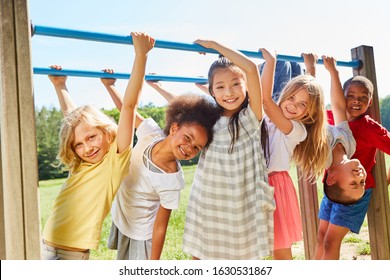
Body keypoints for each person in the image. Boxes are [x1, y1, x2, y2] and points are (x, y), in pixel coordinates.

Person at [41, 32, 155, 260]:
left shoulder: (115, 158)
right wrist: (60, 86)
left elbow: (129, 107)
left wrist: (141, 54)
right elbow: (72, 118)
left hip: (70, 255)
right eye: (79, 144)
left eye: (92, 137)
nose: (86, 147)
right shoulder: (79, 163)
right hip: (44, 245)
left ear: (105, 130)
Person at [101, 72, 221, 260]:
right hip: (123, 216)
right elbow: (128, 110)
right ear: (174, 128)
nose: (189, 147)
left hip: (141, 232)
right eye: (187, 138)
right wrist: (109, 85)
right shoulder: (152, 133)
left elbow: (160, 227)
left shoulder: (171, 180)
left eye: (197, 147)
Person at [182, 39, 275, 260]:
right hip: (211, 198)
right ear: (212, 91)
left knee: (243, 256)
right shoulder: (209, 120)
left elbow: (251, 69)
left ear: (246, 86)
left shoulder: (250, 117)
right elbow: (179, 107)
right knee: (202, 255)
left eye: (235, 84)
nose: (229, 92)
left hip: (243, 201)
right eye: (220, 87)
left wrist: (215, 45)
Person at [315, 58, 390, 259]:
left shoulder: (370, 128)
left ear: (370, 102)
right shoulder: (331, 118)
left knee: (331, 241)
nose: (357, 101)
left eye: (363, 97)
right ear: (342, 96)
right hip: (332, 187)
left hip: (355, 191)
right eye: (351, 96)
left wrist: (386, 179)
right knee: (321, 237)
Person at [259, 50, 329, 260]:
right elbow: (305, 94)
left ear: (309, 112)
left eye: (301, 105)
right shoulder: (271, 118)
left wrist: (270, 62)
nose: (293, 105)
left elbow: (265, 100)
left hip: (275, 188)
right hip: (259, 182)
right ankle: (297, 68)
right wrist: (311, 69)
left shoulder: (297, 129)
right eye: (291, 98)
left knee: (279, 250)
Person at [306, 55, 369, 260]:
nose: (360, 176)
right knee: (321, 237)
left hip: (302, 99)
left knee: (328, 240)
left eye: (354, 182)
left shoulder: (321, 154)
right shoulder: (349, 146)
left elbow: (313, 110)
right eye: (362, 181)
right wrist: (334, 72)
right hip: (319, 83)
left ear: (331, 178)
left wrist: (311, 70)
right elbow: (339, 109)